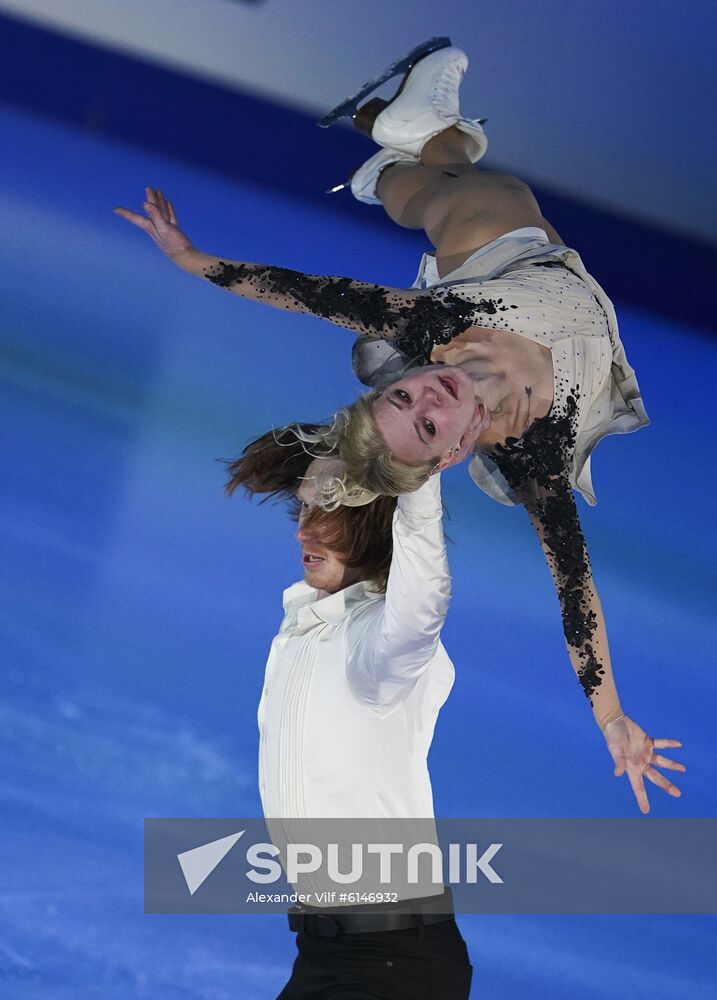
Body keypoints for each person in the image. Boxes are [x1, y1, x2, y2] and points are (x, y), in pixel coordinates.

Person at [114, 40, 686, 814]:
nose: (430, 398)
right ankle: (397, 136)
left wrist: (191, 260)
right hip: (569, 325)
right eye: (427, 424)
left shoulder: (436, 319)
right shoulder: (536, 451)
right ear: (453, 451)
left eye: (403, 397)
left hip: (503, 277)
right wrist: (611, 716)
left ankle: (387, 159)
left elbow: (299, 290)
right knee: (490, 191)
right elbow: (574, 593)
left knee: (475, 197)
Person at [224, 424, 473, 999]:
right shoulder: (307, 621)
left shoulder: (385, 650)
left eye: (328, 515)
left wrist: (419, 477)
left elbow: (422, 596)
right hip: (331, 955)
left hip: (390, 966)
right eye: (304, 510)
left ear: (374, 526)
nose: (303, 532)